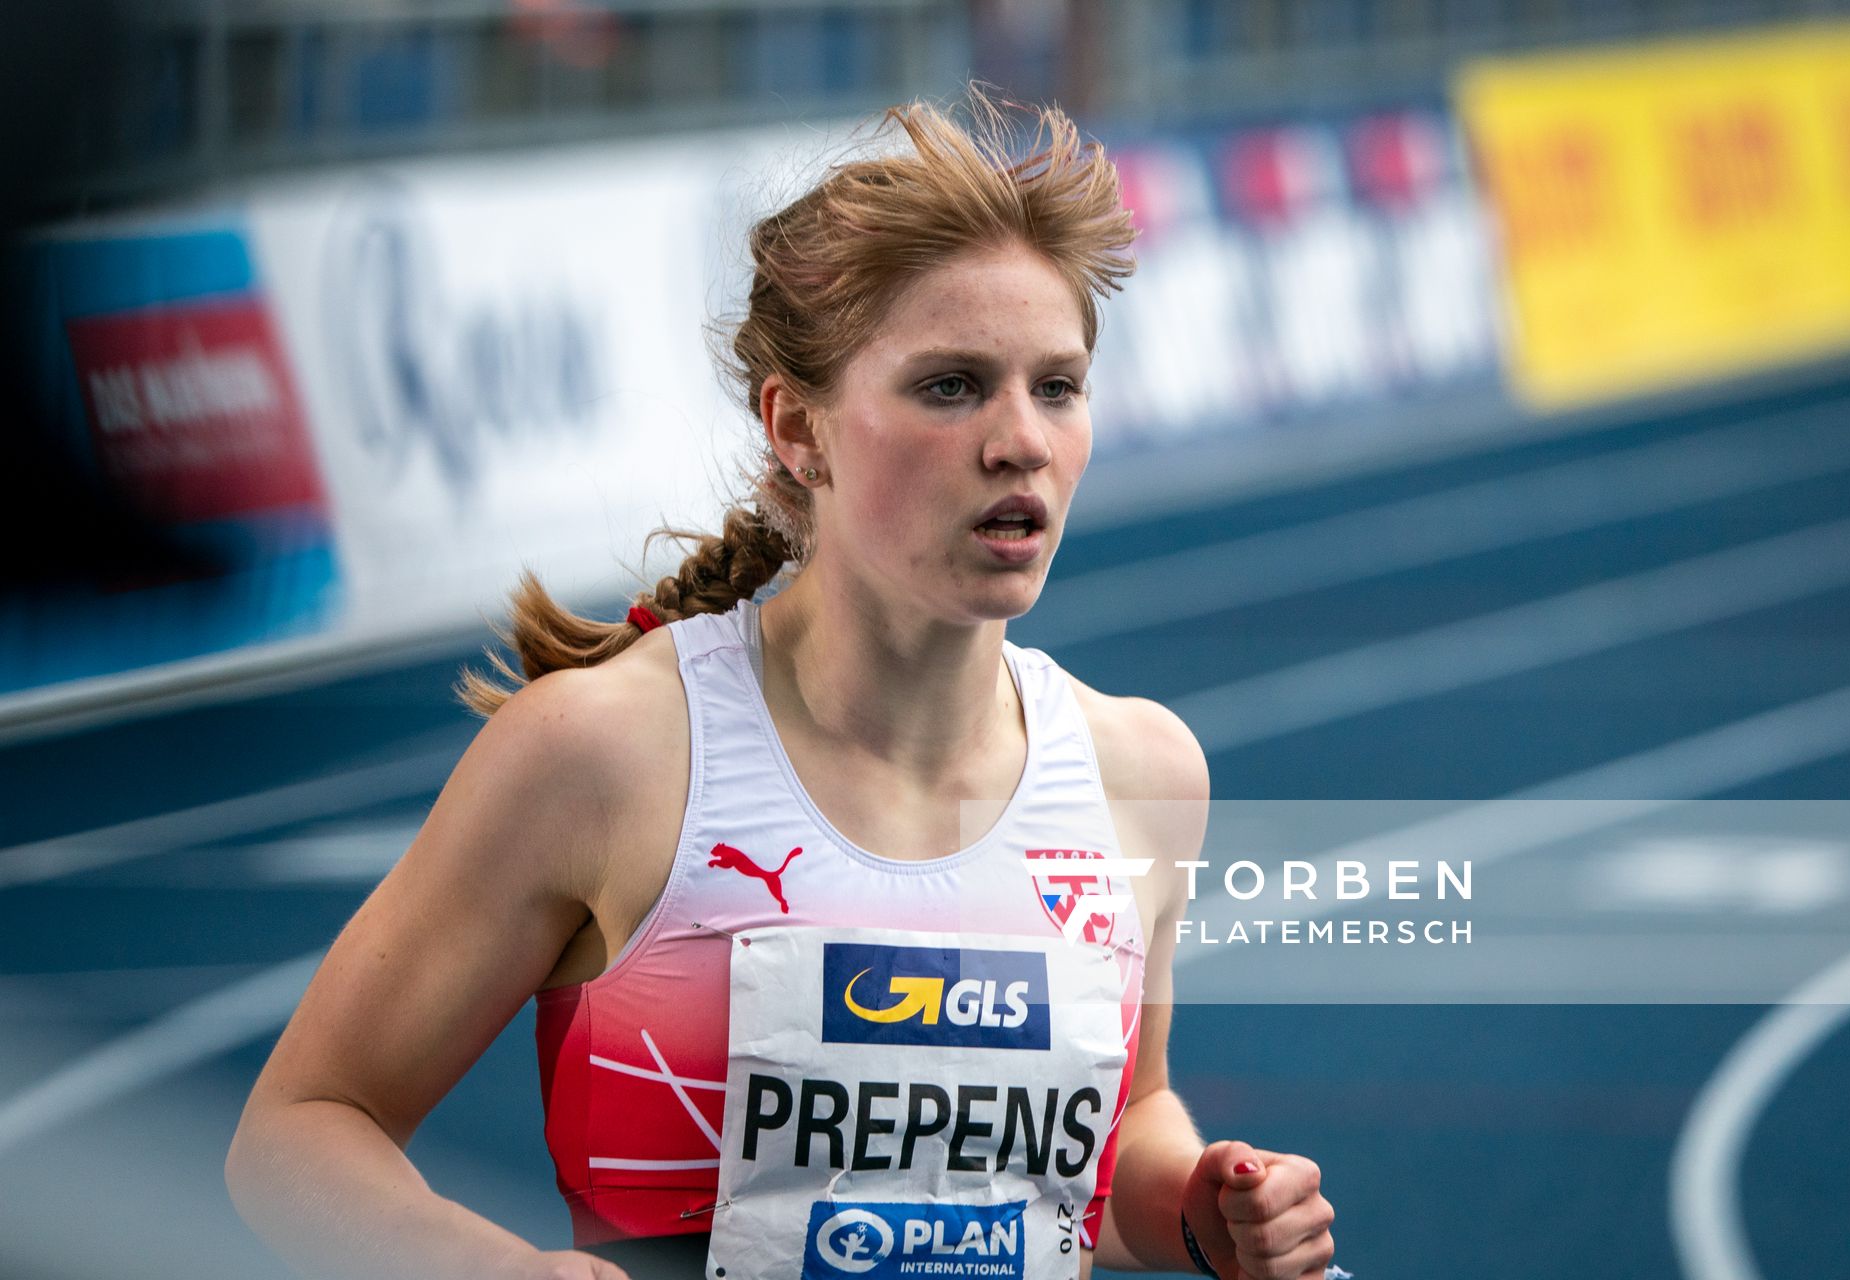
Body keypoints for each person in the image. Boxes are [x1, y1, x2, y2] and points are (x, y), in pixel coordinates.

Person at [226, 89, 1338, 1280]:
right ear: (796, 428)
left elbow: (1115, 1145)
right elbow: (298, 1131)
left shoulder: (1142, 770)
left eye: (1056, 386)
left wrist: (1201, 1208)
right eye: (952, 385)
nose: (1021, 440)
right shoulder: (605, 755)